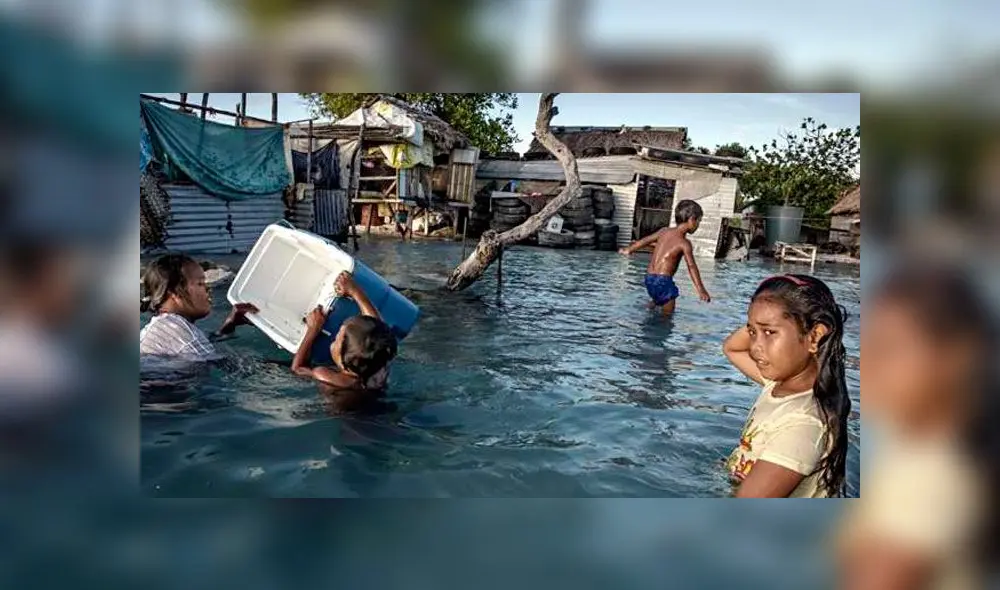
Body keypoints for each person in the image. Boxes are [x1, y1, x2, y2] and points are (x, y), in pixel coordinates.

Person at [838, 264, 995, 589]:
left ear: (958, 357)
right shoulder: (925, 453)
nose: (868, 364)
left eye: (889, 349)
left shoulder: (926, 482)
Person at [721, 274, 850, 498]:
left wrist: (760, 321)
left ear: (815, 336)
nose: (754, 347)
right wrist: (762, 319)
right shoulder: (777, 384)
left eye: (770, 332)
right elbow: (732, 348)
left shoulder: (803, 425)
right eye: (752, 332)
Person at [291, 272, 398, 408]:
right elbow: (376, 328)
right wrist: (355, 291)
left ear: (342, 357)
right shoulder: (379, 365)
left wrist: (313, 329)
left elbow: (297, 369)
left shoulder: (326, 376)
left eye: (336, 339)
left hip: (349, 422)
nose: (334, 338)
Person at [139, 254, 258, 360]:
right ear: (174, 294)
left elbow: (201, 344)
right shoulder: (180, 332)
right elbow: (228, 366)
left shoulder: (167, 326)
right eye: (200, 283)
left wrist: (228, 327)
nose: (208, 288)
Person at [618, 199, 711, 314]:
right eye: (699, 221)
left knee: (657, 300)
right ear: (692, 220)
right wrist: (701, 290)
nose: (698, 225)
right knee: (667, 317)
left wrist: (629, 249)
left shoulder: (663, 231)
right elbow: (691, 266)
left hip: (649, 278)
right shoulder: (684, 243)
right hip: (664, 281)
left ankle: (644, 311)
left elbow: (645, 240)